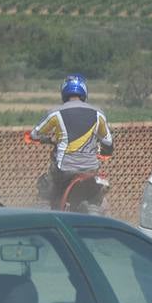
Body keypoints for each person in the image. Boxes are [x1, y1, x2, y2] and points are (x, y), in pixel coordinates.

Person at [29, 74, 113, 209]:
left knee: (46, 187)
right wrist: (105, 152)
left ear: (64, 92)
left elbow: (34, 134)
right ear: (84, 92)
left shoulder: (56, 113)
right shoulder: (98, 114)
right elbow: (108, 142)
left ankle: (52, 212)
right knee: (100, 195)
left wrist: (48, 139)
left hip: (64, 169)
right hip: (90, 169)